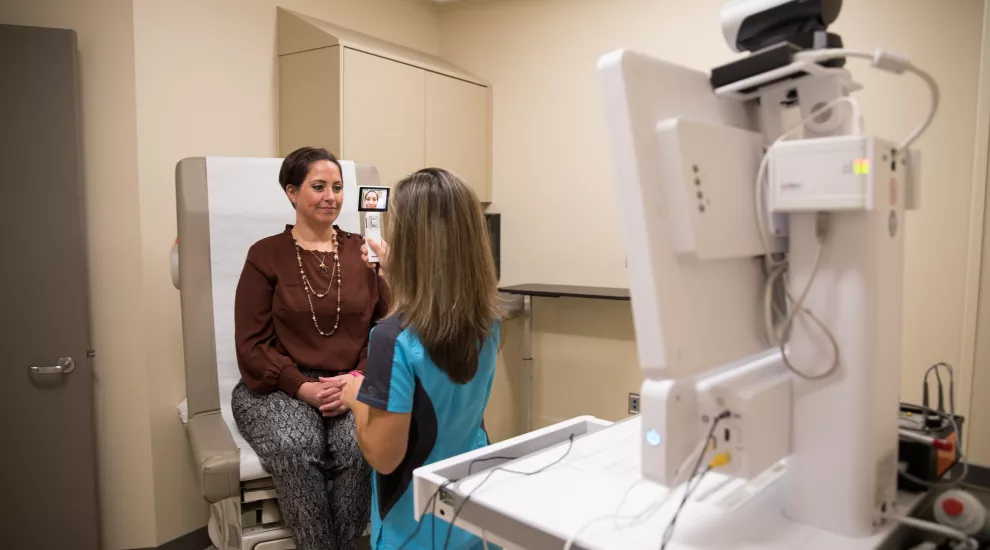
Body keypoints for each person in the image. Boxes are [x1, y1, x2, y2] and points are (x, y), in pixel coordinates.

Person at [231, 147, 389, 550]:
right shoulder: (265, 255)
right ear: (291, 193)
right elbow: (251, 343)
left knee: (359, 446)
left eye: (337, 187)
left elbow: (385, 328)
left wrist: (356, 378)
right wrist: (301, 386)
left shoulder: (364, 253)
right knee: (297, 445)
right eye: (318, 187)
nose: (330, 196)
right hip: (281, 385)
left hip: (350, 381)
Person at [340, 168, 502, 550]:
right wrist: (396, 273)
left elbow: (384, 456)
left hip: (413, 529)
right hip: (472, 513)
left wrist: (356, 397)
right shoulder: (488, 322)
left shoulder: (391, 340)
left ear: (412, 247)